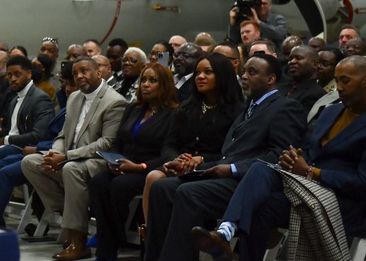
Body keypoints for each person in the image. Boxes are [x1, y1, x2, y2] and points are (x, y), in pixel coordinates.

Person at [191, 55, 366, 261]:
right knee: (261, 176)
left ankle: (226, 232)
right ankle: (225, 232)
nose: (339, 87)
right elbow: (311, 152)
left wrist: (312, 172)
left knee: (261, 198)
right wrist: (293, 159)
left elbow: (362, 183)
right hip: (306, 188)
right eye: (336, 81)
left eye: (345, 81)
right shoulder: (331, 111)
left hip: (341, 201)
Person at [143, 54, 306, 261]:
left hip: (249, 182)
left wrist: (232, 169)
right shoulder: (250, 107)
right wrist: (193, 166)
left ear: (271, 79)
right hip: (226, 174)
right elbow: (227, 154)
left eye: (252, 72)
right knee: (161, 187)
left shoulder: (285, 107)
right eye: (244, 71)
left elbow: (279, 156)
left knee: (188, 192)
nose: (244, 76)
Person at [21, 57, 129, 260]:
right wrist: (55, 153)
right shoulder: (74, 98)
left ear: (99, 72)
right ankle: (70, 212)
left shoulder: (115, 101)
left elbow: (106, 143)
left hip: (96, 160)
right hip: (69, 156)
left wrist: (66, 157)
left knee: (72, 169)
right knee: (31, 162)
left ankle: (78, 240)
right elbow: (63, 134)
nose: (79, 76)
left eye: (85, 71)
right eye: (76, 73)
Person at [140, 53, 245, 240]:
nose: (200, 77)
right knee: (154, 177)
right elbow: (170, 144)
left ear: (222, 75)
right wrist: (174, 159)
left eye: (208, 72)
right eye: (197, 72)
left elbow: (230, 152)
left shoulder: (237, 111)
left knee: (170, 185)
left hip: (208, 168)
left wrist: (202, 159)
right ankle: (151, 238)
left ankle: (176, 240)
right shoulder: (187, 107)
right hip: (179, 164)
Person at [88, 63, 179, 261]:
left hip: (147, 169)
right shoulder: (134, 108)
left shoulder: (174, 114)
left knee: (120, 185)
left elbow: (168, 153)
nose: (145, 85)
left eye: (152, 80)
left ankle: (111, 242)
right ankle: (109, 243)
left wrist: (140, 167)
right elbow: (117, 142)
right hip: (123, 165)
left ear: (164, 84)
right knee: (98, 182)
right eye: (143, 80)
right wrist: (111, 159)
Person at [0, 56, 54, 226]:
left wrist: (5, 138)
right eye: (9, 75)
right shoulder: (15, 98)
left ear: (29, 74)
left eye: (17, 74)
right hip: (14, 147)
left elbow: (38, 135)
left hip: (31, 151)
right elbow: (12, 131)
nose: (13, 79)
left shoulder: (40, 98)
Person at [282, 45, 326, 113]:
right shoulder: (281, 87)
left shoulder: (317, 94)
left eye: (298, 58)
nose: (292, 61)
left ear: (315, 65)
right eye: (290, 59)